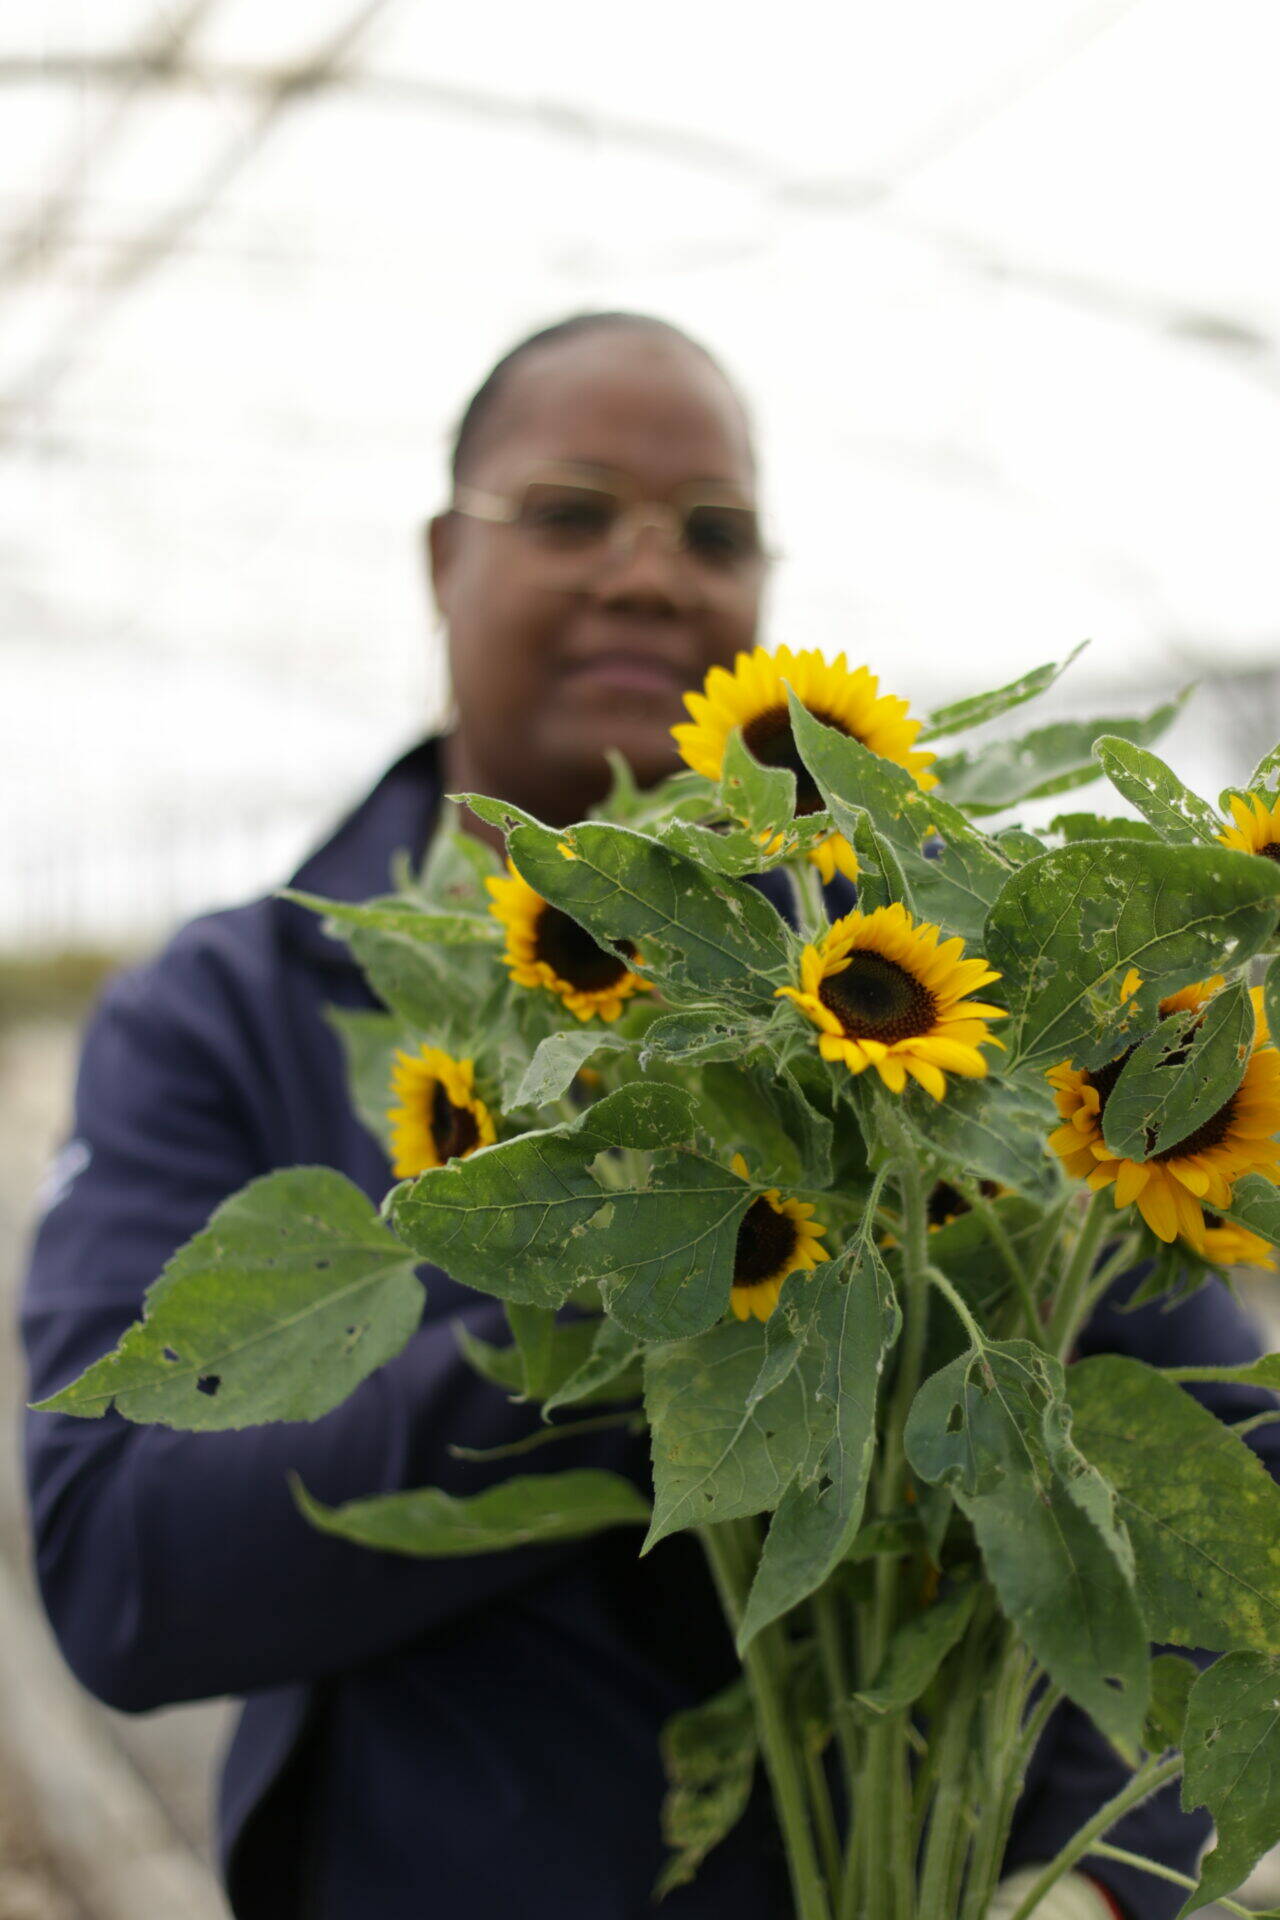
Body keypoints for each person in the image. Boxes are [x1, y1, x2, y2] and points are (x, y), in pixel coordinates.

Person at [19, 311, 1279, 1920]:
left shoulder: (927, 1009)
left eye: (715, 532)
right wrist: (644, 1277)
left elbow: (1216, 1508)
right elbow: (127, 1579)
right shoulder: (237, 1009)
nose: (650, 571)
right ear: (439, 561)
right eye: (571, 512)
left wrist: (1096, 1882)